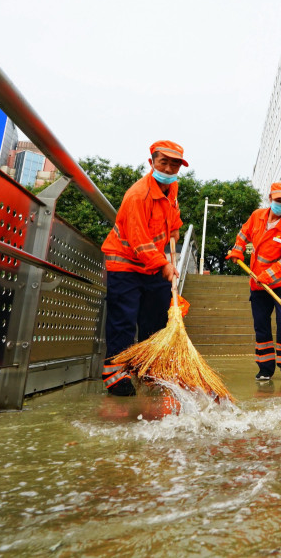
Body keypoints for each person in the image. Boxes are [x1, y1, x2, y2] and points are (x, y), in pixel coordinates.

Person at [100, 140, 185, 396]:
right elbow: (138, 239)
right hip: (125, 264)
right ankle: (116, 376)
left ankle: (149, 369)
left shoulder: (172, 188)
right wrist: (165, 265)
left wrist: (176, 229)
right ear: (151, 162)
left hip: (152, 266)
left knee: (156, 319)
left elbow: (173, 220)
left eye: (175, 164)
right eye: (164, 162)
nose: (169, 169)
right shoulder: (138, 195)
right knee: (123, 321)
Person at [226, 183, 281, 381]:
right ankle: (265, 368)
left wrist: (269, 275)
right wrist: (237, 249)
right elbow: (243, 234)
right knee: (261, 325)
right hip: (257, 283)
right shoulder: (257, 216)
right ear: (271, 198)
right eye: (278, 200)